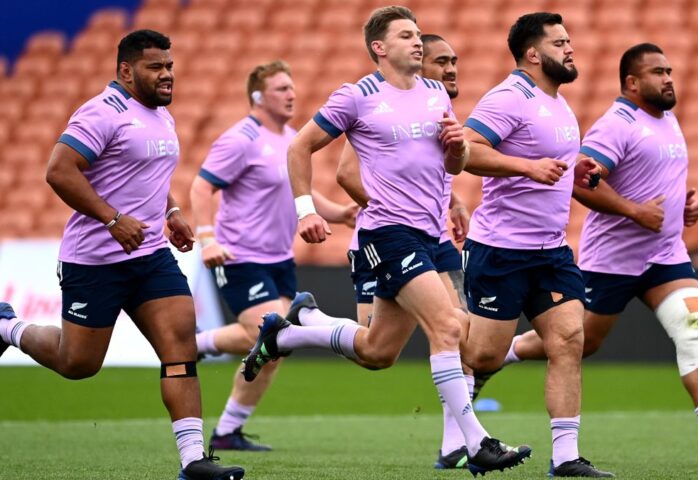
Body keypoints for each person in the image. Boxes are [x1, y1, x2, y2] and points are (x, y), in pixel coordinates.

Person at [241, 7, 532, 477]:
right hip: (388, 234)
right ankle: (475, 443)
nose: (418, 42)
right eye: (406, 35)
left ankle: (292, 330)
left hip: (431, 233)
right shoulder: (357, 97)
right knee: (450, 328)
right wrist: (306, 211)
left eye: (418, 34)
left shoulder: (436, 92)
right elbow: (299, 148)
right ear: (380, 47)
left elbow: (451, 166)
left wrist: (457, 148)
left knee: (378, 353)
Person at [0, 30, 244, 480]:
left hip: (150, 255)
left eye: (169, 66)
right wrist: (113, 219)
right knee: (79, 364)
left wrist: (171, 211)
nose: (167, 74)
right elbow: (58, 171)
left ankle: (193, 461)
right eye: (156, 67)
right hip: (94, 260)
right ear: (127, 71)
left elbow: (148, 170)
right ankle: (8, 327)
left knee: (180, 347)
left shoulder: (159, 116)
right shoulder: (101, 112)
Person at [482, 42, 698, 465]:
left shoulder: (669, 120)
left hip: (665, 256)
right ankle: (503, 355)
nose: (668, 78)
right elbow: (581, 181)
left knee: (691, 328)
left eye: (669, 70)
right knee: (579, 343)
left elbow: (653, 179)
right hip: (610, 261)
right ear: (631, 82)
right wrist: (634, 211)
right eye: (657, 72)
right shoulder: (618, 124)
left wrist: (682, 206)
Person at [460, 13, 613, 477]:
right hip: (501, 250)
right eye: (560, 42)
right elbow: (466, 150)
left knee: (569, 340)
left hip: (551, 251)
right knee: (484, 355)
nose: (570, 49)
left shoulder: (559, 102)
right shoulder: (509, 97)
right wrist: (527, 168)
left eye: (570, 41)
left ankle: (566, 458)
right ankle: (456, 401)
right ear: (533, 53)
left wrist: (578, 171)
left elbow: (552, 165)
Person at [190, 60, 356, 452]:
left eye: (292, 87)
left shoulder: (291, 137)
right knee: (262, 333)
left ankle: (228, 431)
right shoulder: (240, 139)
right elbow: (200, 188)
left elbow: (302, 191)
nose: (292, 94)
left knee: (273, 349)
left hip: (279, 258)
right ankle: (193, 345)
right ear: (259, 97)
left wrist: (340, 212)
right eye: (282, 88)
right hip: (240, 256)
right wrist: (207, 239)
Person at [333, 33, 471, 469]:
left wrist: (452, 200)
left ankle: (454, 445)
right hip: (384, 241)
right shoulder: (381, 110)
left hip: (431, 237)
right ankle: (302, 328)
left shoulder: (436, 107)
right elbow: (345, 172)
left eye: (454, 62)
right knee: (378, 352)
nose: (451, 69)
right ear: (418, 66)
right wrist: (387, 207)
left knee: (456, 330)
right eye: (441, 61)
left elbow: (431, 168)